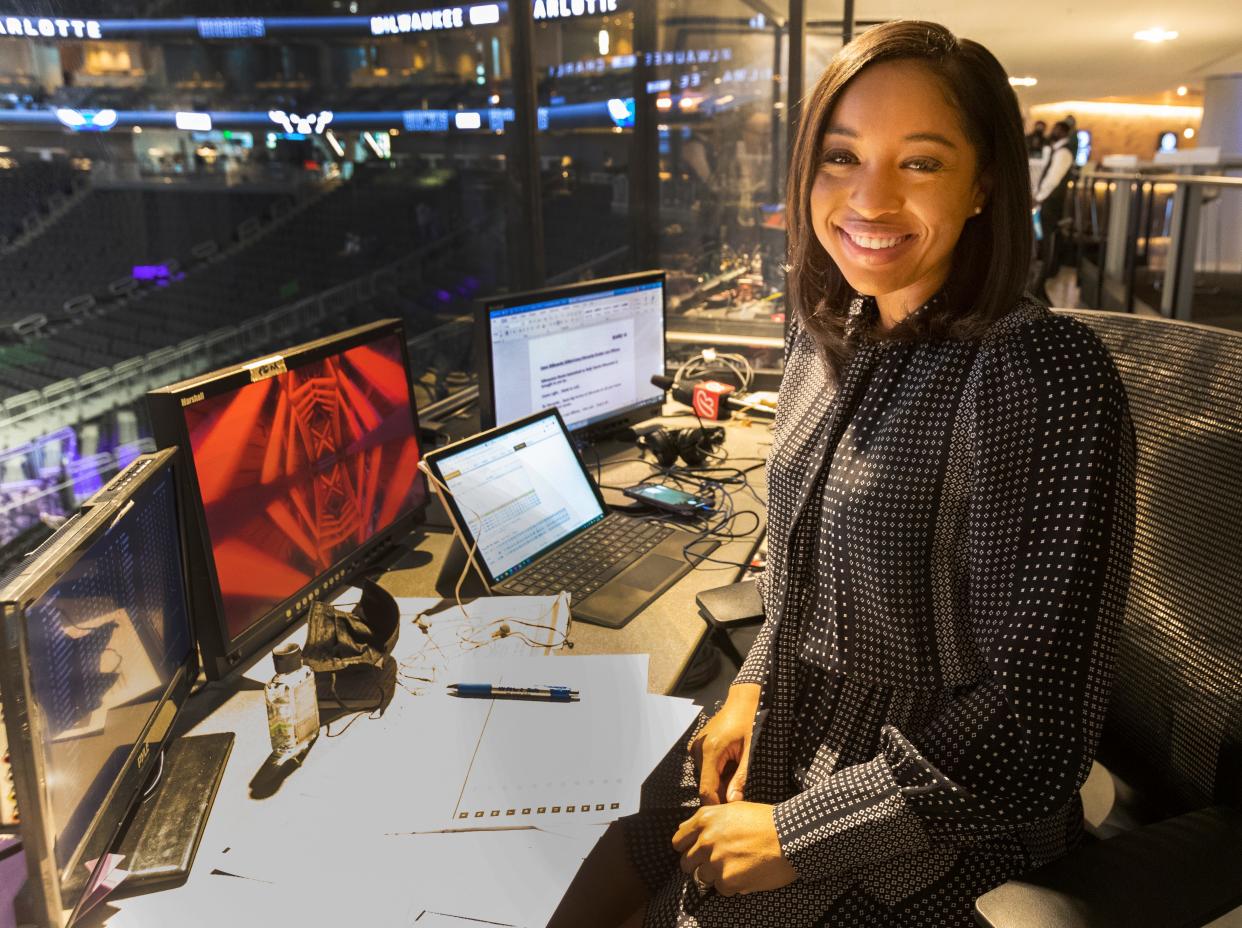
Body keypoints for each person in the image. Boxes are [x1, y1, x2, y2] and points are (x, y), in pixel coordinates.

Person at [548, 19, 1136, 928]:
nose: (870, 198)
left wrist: (797, 835)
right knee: (598, 853)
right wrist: (751, 685)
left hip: (935, 803)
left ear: (984, 185)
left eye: (922, 163)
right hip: (797, 716)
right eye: (842, 156)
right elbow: (798, 579)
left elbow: (1035, 727)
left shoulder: (1037, 372)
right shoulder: (830, 337)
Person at [1032, 119, 1075, 304]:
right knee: (1040, 239)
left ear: (1064, 133)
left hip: (1050, 204)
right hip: (1044, 202)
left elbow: (1053, 179)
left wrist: (1039, 197)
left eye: (1057, 129)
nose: (1052, 131)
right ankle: (1038, 282)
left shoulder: (1064, 153)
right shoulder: (1055, 150)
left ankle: (1041, 279)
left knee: (1045, 239)